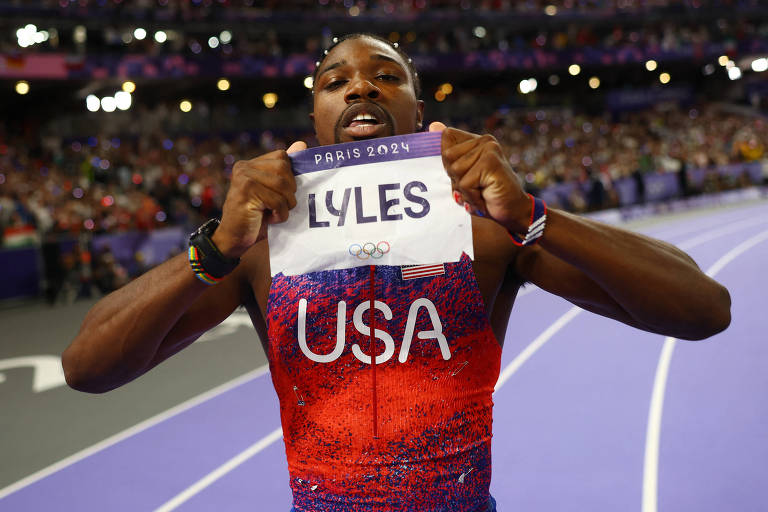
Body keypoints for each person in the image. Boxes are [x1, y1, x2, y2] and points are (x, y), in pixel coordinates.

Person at [62, 33, 731, 512]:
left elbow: (703, 309)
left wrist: (532, 213)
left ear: (417, 109)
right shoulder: (258, 246)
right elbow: (88, 367)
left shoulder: (488, 228)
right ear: (317, 118)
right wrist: (213, 248)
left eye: (386, 75)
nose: (359, 85)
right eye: (335, 81)